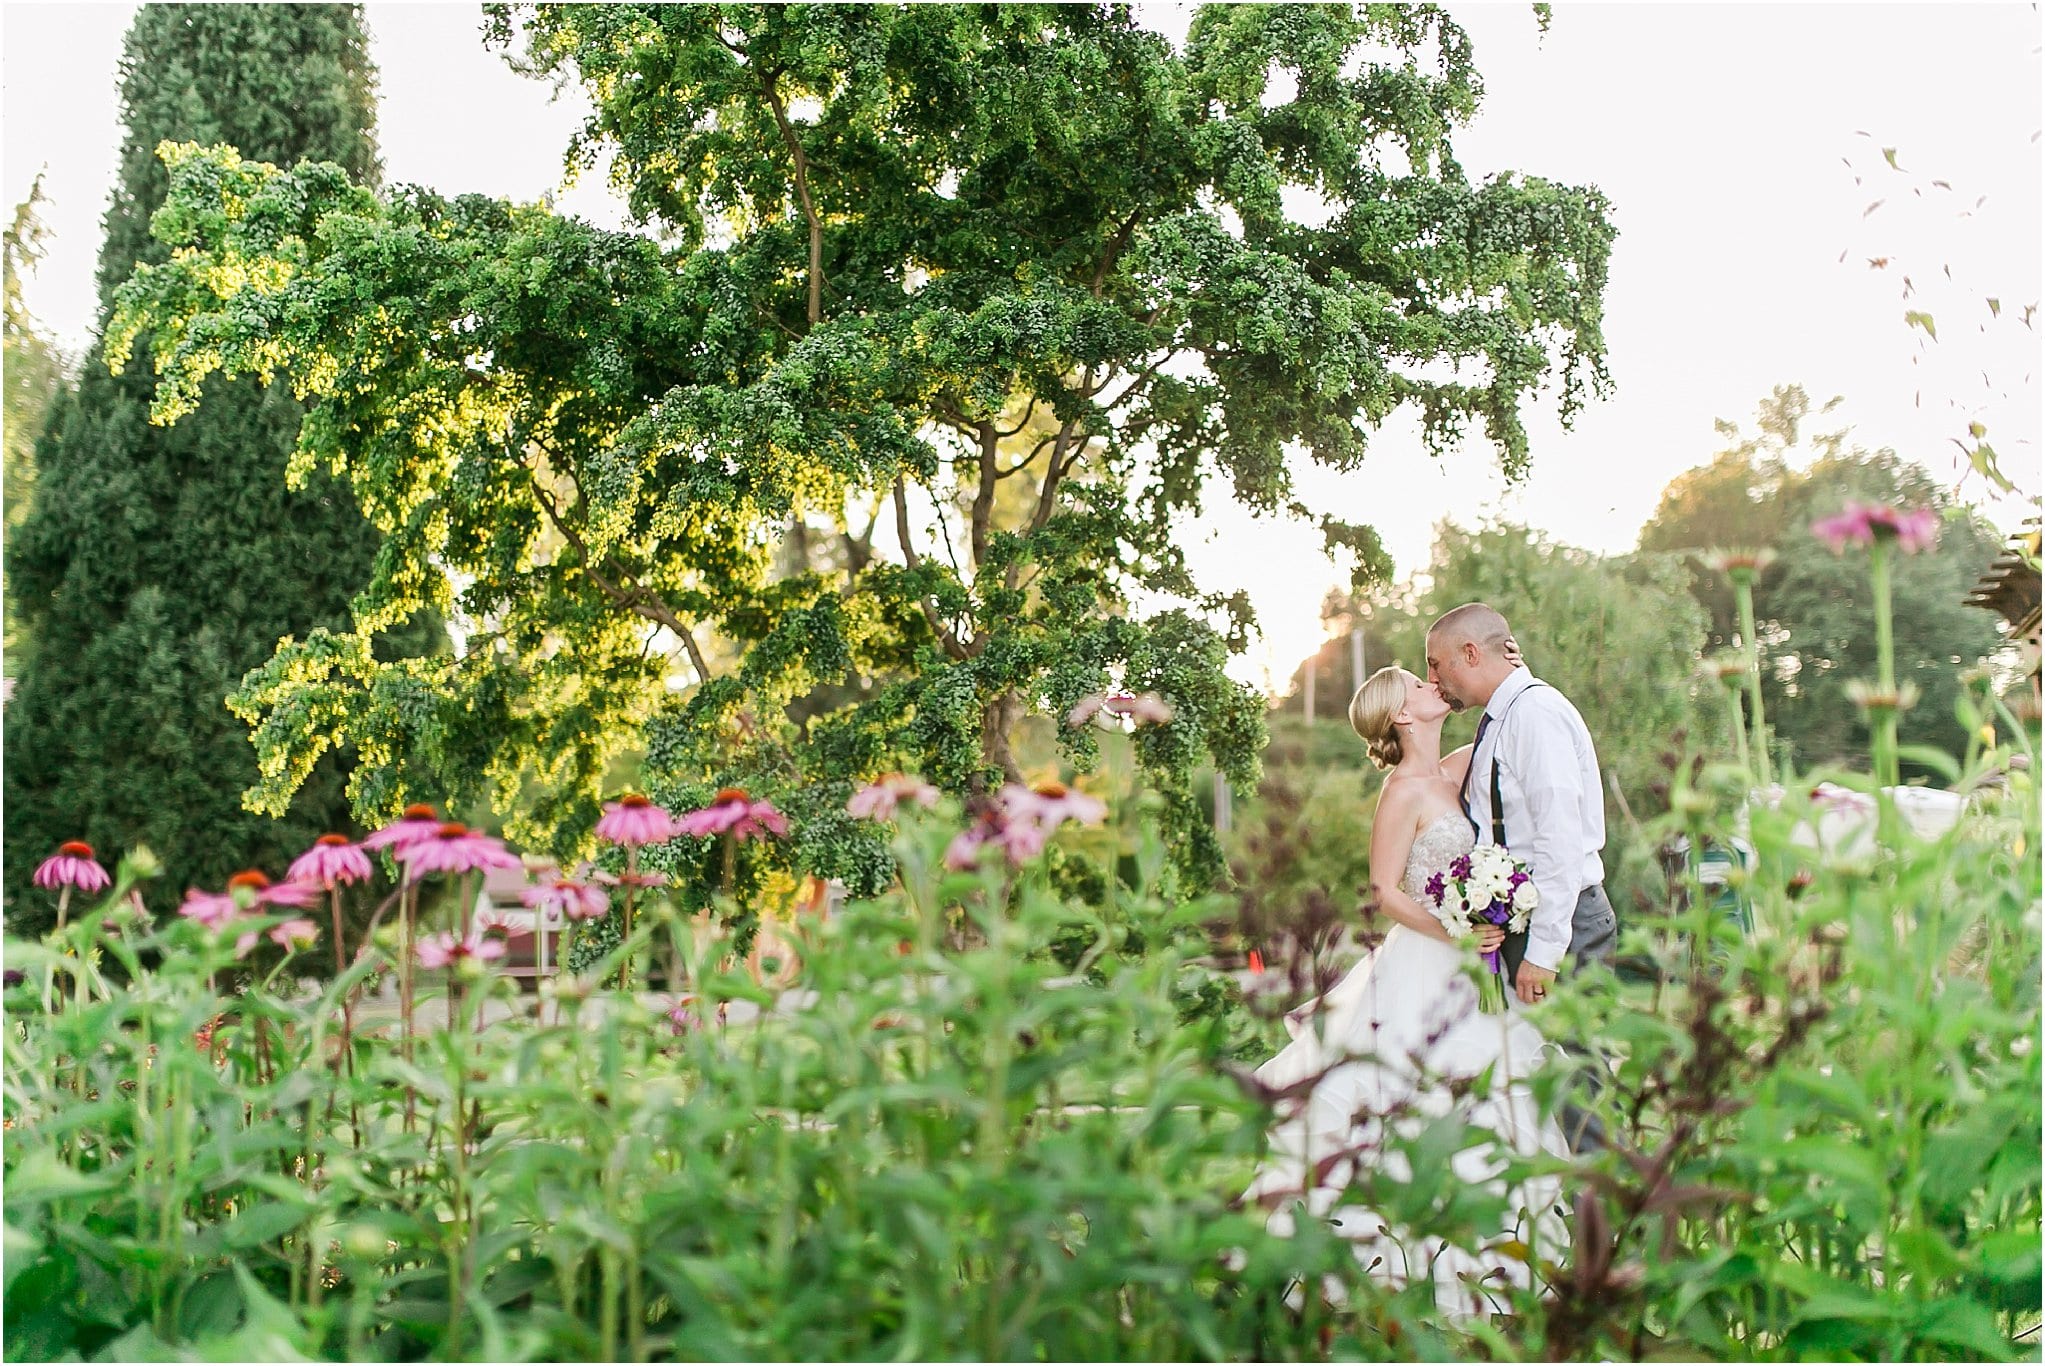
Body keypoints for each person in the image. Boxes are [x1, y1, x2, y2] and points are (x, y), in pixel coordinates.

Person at [1244, 665, 1569, 1320]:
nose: (1431, 685)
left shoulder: (1452, 768)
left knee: (1493, 1084)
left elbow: (1507, 742)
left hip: (1471, 965)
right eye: (1418, 685)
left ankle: (1504, 1263)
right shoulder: (1400, 792)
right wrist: (1453, 930)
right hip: (1426, 958)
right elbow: (1383, 892)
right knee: (1415, 1089)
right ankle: (1393, 1265)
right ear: (1401, 714)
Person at [1425, 601, 1618, 1149]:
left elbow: (1559, 837)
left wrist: (1544, 951)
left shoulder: (1535, 714)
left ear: (1470, 652)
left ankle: (1608, 1229)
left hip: (1565, 926)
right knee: (1554, 1089)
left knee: (1581, 1095)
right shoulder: (1502, 720)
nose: (1433, 679)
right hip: (1530, 925)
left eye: (1437, 664)